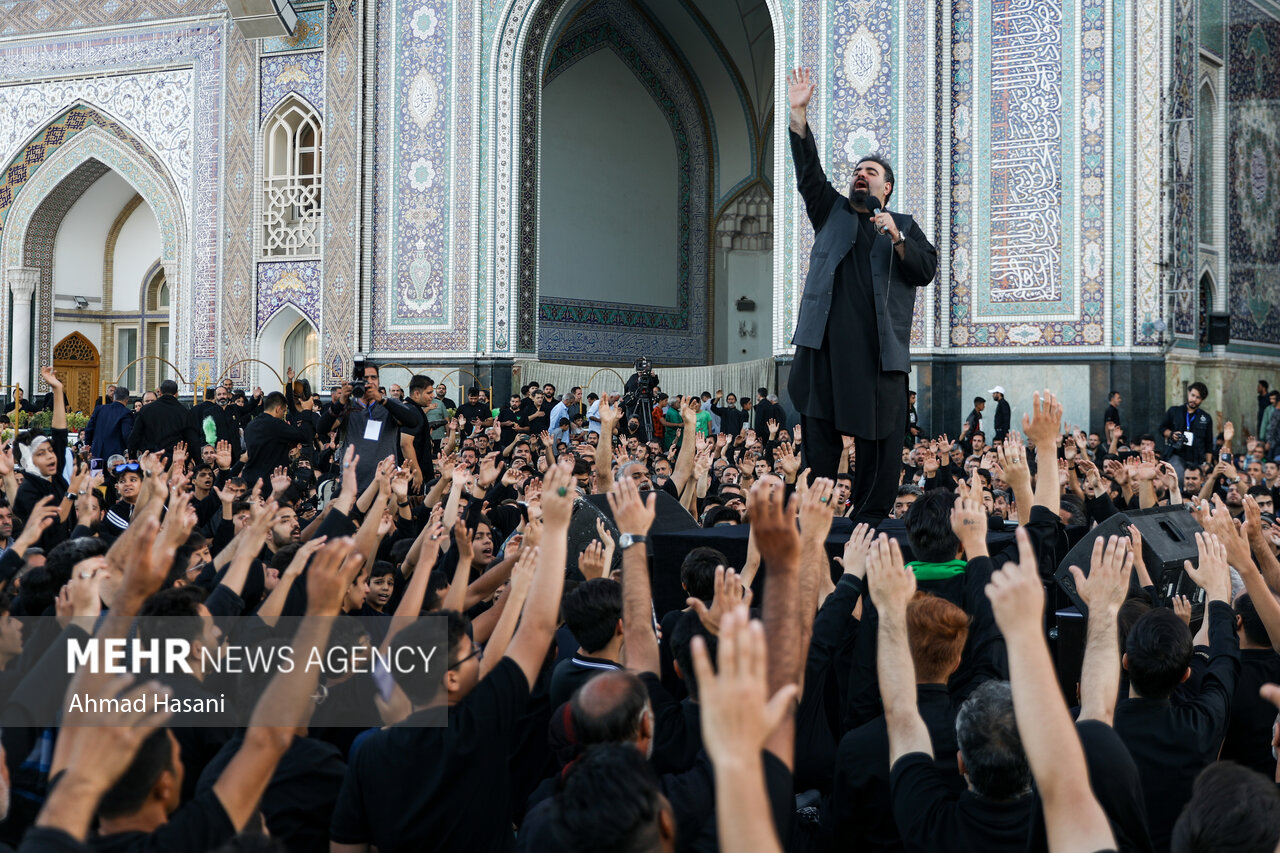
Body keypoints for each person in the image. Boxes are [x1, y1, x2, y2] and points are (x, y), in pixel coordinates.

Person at [784, 67, 938, 525]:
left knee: (881, 442)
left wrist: (895, 237)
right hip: (824, 349)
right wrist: (798, 114)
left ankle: (870, 519)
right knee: (819, 438)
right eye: (856, 171)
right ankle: (816, 518)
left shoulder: (904, 225)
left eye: (869, 172)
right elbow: (808, 171)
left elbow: (925, 270)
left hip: (877, 355)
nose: (860, 175)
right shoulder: (829, 209)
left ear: (886, 188)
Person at [318, 362, 423, 492]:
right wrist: (340, 402)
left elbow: (412, 421)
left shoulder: (389, 405)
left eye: (374, 378)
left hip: (384, 485)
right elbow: (322, 429)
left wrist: (382, 400)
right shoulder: (348, 407)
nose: (370, 382)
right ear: (355, 382)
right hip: (352, 486)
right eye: (365, 379)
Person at [241, 392, 306, 496]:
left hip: (250, 479)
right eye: (283, 412)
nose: (282, 416)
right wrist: (305, 413)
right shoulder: (276, 424)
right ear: (278, 408)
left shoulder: (250, 425)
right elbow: (302, 436)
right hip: (271, 482)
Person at [127, 379, 201, 460]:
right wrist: (197, 462)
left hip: (152, 459)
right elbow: (192, 440)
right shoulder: (183, 412)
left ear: (160, 392)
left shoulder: (146, 410)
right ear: (176, 394)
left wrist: (132, 456)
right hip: (174, 460)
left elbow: (134, 436)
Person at [1159, 382, 1214, 479]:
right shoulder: (1174, 411)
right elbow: (1162, 429)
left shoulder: (1205, 417)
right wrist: (1172, 434)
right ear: (1188, 393)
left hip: (1197, 457)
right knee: (1177, 478)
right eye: (1193, 395)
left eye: (1198, 398)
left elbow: (1208, 443)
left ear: (1202, 400)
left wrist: (1208, 463)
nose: (1194, 399)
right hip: (1176, 454)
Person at [83, 385, 133, 462]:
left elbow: (89, 429)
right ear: (127, 400)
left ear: (113, 397)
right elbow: (126, 435)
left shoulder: (99, 409)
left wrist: (88, 445)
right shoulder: (126, 413)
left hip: (97, 452)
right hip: (116, 456)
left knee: (97, 473)